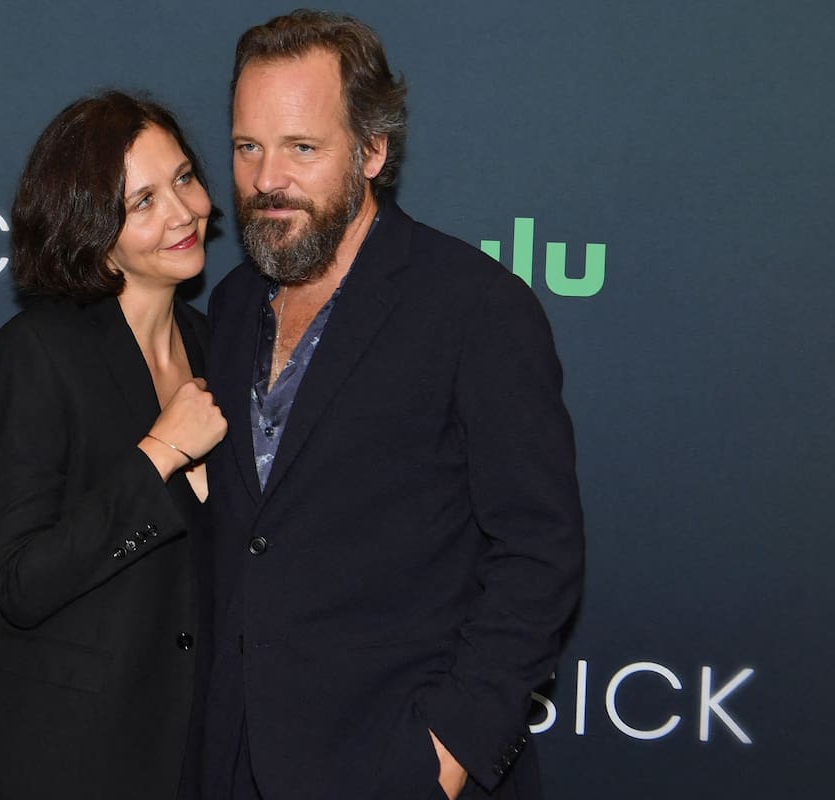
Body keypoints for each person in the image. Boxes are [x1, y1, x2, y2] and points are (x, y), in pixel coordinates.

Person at [202, 11, 584, 800]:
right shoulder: (235, 303)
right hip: (237, 760)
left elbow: (539, 551)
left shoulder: (475, 308)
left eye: (302, 148)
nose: (267, 178)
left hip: (394, 762)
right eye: (248, 147)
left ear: (372, 151)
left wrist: (445, 752)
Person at [0, 91, 227, 800]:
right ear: (90, 227)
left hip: (188, 746)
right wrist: (159, 454)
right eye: (142, 202)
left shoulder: (217, 348)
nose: (183, 211)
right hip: (66, 753)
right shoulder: (42, 349)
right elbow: (20, 580)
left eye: (185, 178)